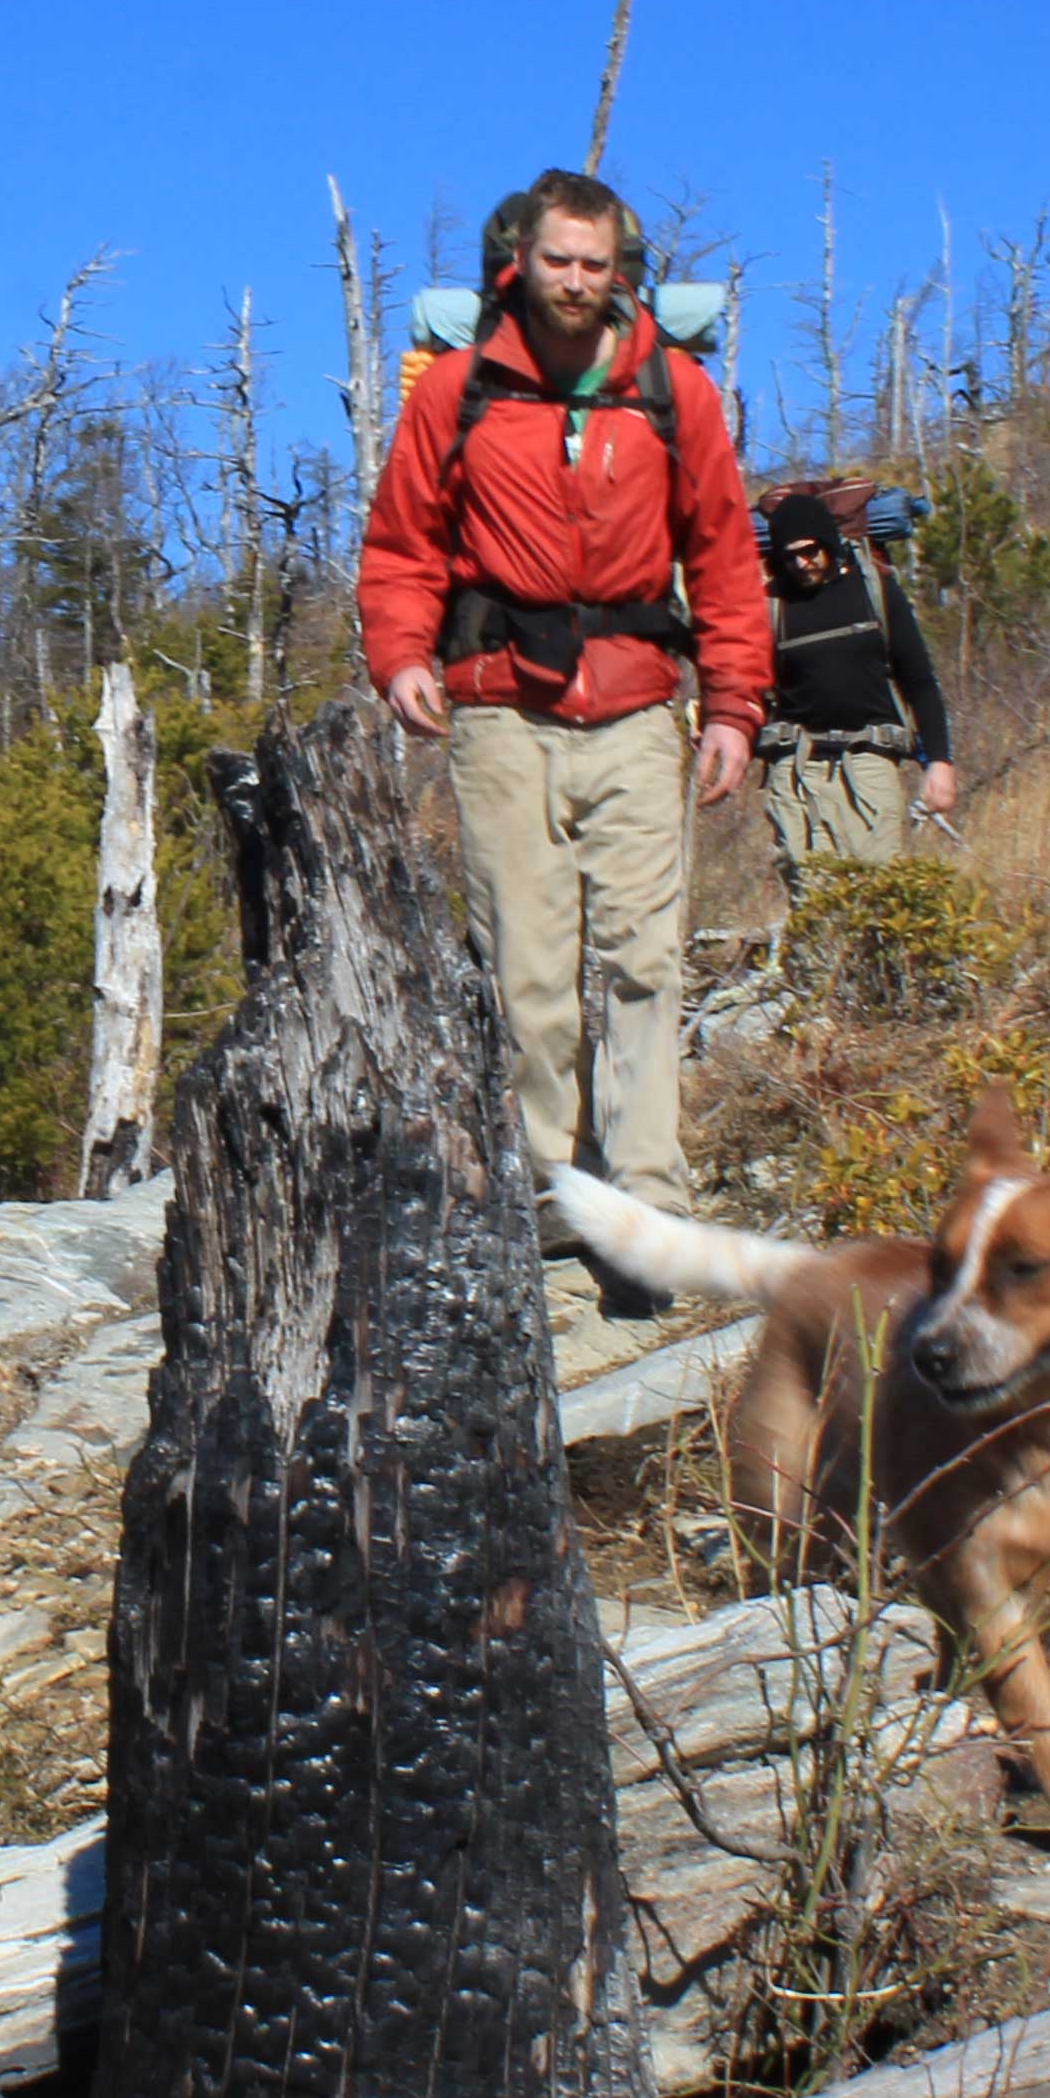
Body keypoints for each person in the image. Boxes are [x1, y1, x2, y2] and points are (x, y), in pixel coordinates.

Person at [358, 169, 770, 1287]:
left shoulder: (675, 392)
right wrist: (400, 658)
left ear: (619, 270)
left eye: (595, 264)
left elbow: (727, 554)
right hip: (498, 712)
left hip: (639, 708)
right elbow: (402, 544)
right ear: (519, 263)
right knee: (527, 976)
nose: (576, 283)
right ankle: (551, 1194)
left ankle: (648, 1208)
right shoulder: (455, 391)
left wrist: (734, 702)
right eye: (558, 261)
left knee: (645, 961)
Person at [754, 484, 958, 866]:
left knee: (876, 893)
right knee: (810, 901)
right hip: (797, 770)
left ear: (829, 543)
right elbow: (751, 688)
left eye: (810, 552)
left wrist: (939, 762)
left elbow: (919, 680)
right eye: (790, 557)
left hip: (871, 762)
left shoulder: (875, 591)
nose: (801, 564)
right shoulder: (770, 606)